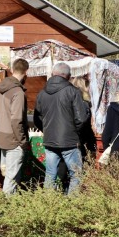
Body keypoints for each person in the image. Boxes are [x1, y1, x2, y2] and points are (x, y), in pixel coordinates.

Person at [34, 63, 88, 194]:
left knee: (50, 174)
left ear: (53, 74)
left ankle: (48, 204)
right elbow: (81, 118)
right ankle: (71, 206)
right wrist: (75, 134)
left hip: (50, 140)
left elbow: (37, 119)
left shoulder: (42, 93)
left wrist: (47, 130)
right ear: (68, 76)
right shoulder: (73, 91)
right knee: (76, 174)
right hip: (69, 141)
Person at [0, 58, 30, 195]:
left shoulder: (2, 88)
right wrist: (23, 142)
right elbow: (17, 120)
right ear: (26, 72)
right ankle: (6, 211)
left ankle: (11, 208)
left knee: (10, 177)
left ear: (11, 70)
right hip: (14, 140)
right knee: (11, 178)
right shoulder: (18, 92)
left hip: (2, 138)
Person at [71, 77, 97, 161]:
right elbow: (84, 120)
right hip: (84, 136)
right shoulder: (85, 101)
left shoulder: (70, 99)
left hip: (74, 136)